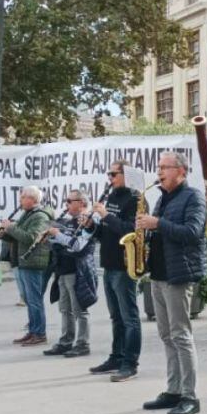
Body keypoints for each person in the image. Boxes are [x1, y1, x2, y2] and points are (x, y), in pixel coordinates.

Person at [138, 152, 207, 410]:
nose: (159, 172)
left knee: (181, 335)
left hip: (178, 275)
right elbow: (160, 231)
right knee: (166, 335)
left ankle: (189, 395)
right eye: (159, 168)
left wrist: (157, 223)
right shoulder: (162, 199)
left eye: (164, 167)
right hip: (158, 274)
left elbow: (192, 233)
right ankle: (173, 389)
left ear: (181, 171)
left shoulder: (194, 197)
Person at [88, 162, 141, 378]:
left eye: (113, 173)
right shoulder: (111, 196)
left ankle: (130, 362)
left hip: (124, 264)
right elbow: (107, 232)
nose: (110, 177)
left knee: (129, 317)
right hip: (109, 263)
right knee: (116, 316)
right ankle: (116, 357)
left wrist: (105, 215)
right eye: (109, 173)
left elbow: (130, 230)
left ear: (126, 174)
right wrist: (92, 226)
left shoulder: (135, 199)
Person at [43, 190, 98, 358]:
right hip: (63, 270)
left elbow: (77, 246)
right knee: (65, 309)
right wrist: (49, 239)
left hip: (78, 270)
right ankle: (66, 341)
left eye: (69, 201)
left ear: (81, 202)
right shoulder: (69, 221)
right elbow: (62, 243)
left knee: (80, 309)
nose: (66, 204)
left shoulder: (88, 221)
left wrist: (57, 235)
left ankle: (83, 343)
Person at [0, 187, 53, 346]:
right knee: (29, 299)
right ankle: (33, 331)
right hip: (23, 261)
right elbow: (18, 235)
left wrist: (11, 227)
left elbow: (31, 238)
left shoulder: (40, 216)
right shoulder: (28, 214)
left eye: (23, 197)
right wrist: (3, 232)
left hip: (34, 261)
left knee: (34, 299)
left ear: (33, 199)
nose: (20, 200)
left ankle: (40, 333)